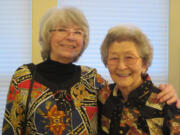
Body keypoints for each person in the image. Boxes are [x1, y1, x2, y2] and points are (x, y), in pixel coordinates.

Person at [2, 7, 179, 135]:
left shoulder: (91, 79)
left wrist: (168, 94)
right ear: (48, 36)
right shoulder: (25, 77)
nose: (70, 37)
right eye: (62, 29)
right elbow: (11, 129)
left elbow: (128, 86)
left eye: (78, 32)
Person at [98, 24, 180, 135]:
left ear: (144, 64)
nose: (121, 66)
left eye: (129, 57)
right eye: (114, 58)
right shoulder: (104, 96)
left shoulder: (165, 102)